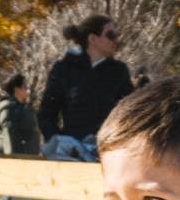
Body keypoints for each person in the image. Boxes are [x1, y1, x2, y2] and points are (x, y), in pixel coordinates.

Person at [39, 15, 133, 161]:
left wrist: (118, 144)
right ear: (92, 39)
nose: (116, 40)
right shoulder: (64, 68)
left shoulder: (119, 71)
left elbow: (129, 113)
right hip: (69, 154)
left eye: (116, 35)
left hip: (107, 154)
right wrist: (57, 140)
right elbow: (47, 112)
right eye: (110, 35)